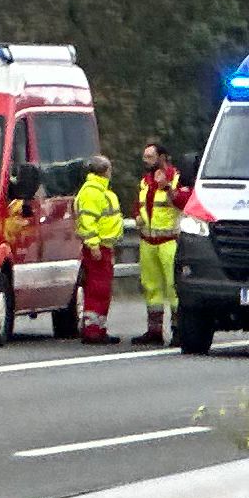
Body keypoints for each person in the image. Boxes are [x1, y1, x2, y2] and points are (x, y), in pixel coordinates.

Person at [132, 140, 185, 345]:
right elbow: (139, 204)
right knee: (151, 286)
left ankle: (178, 330)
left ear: (162, 158)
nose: (146, 161)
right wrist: (136, 215)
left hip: (169, 241)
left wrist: (168, 188)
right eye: (144, 157)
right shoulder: (145, 181)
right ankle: (153, 331)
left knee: (173, 287)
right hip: (148, 241)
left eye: (150, 157)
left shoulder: (177, 177)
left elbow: (183, 202)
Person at [73, 154, 125, 343]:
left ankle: (98, 328)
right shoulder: (92, 192)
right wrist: (94, 245)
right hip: (98, 248)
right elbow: (88, 222)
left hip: (104, 246)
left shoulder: (99, 190)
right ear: (105, 171)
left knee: (102, 288)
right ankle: (92, 330)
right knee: (97, 288)